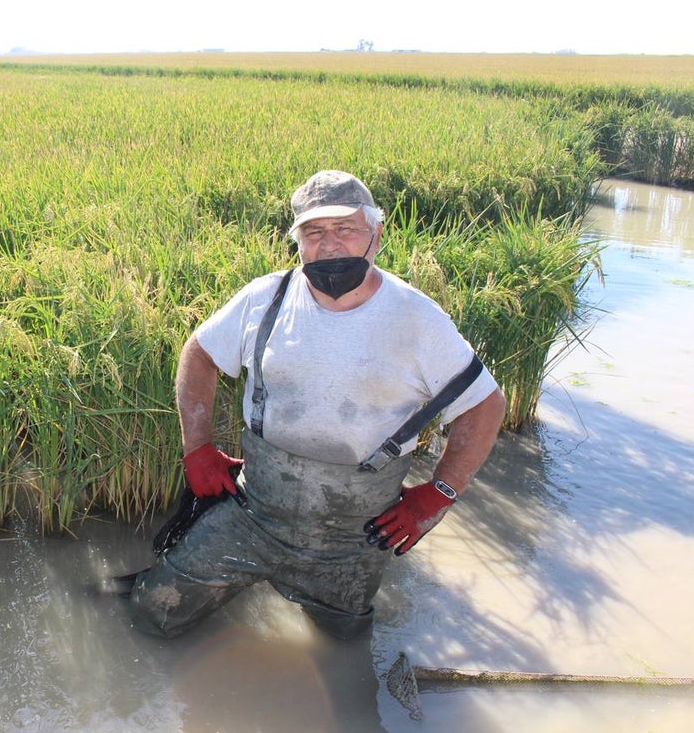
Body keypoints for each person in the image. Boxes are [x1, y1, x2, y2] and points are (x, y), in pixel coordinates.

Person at [128, 170, 506, 640]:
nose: (329, 245)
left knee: (344, 648)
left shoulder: (416, 318)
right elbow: (199, 354)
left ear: (376, 233)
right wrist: (198, 449)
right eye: (313, 232)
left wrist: (440, 493)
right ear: (298, 242)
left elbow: (485, 404)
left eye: (345, 228)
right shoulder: (266, 298)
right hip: (253, 512)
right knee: (153, 613)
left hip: (352, 536)